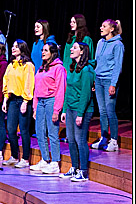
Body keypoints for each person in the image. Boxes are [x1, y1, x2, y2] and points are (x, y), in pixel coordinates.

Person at [30, 42, 66, 175]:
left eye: (46, 50)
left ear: (52, 53)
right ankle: (45, 159)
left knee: (52, 132)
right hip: (40, 102)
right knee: (39, 132)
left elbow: (61, 89)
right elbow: (36, 88)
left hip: (51, 101)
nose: (43, 53)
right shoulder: (41, 68)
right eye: (42, 50)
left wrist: (57, 110)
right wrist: (35, 107)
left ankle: (55, 162)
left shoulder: (59, 68)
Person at [62, 41, 95, 182]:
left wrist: (80, 113)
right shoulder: (72, 67)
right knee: (70, 139)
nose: (71, 49)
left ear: (82, 51)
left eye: (75, 48)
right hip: (70, 107)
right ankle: (74, 167)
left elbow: (86, 94)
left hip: (82, 110)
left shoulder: (86, 70)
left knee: (80, 140)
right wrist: (64, 109)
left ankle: (83, 171)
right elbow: (68, 90)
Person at [91, 18, 124, 152]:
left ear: (111, 29)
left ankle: (114, 141)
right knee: (102, 111)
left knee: (110, 110)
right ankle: (104, 138)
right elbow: (97, 62)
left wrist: (113, 84)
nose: (101, 28)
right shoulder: (100, 42)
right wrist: (94, 79)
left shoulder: (118, 45)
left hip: (109, 80)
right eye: (101, 26)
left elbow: (118, 66)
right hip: (99, 80)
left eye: (104, 26)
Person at [2, 40, 35, 168]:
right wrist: (5, 99)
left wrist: (26, 101)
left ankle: (25, 159)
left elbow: (29, 83)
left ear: (22, 48)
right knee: (10, 129)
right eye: (13, 46)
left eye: (16, 46)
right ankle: (14, 156)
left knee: (24, 130)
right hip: (12, 100)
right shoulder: (11, 65)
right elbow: (6, 81)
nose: (13, 48)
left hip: (23, 100)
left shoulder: (28, 65)